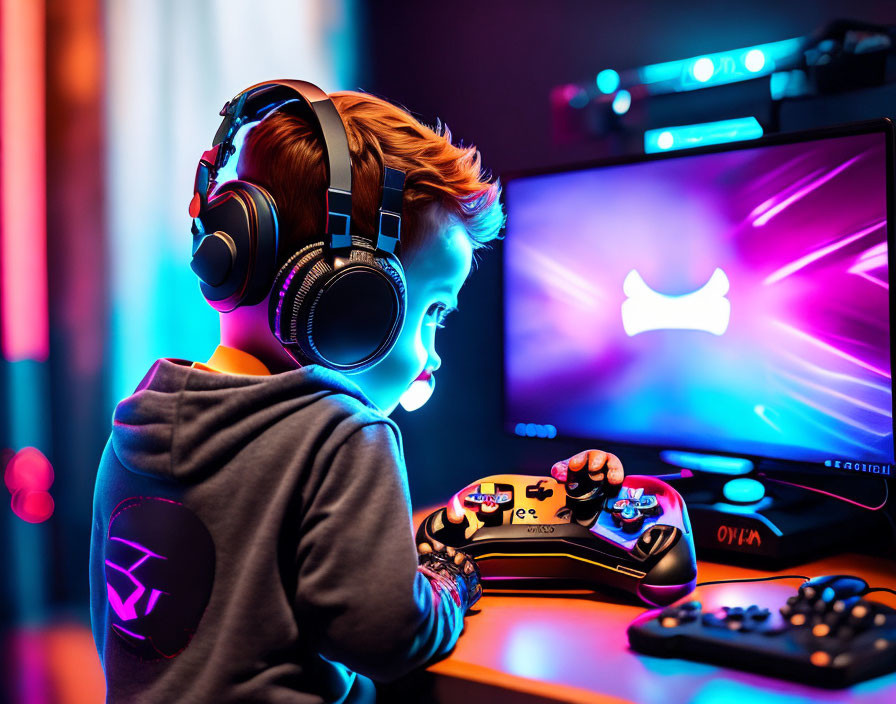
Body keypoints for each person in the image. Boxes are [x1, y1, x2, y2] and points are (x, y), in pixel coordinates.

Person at [89, 81, 624, 703]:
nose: (432, 353)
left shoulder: (136, 426)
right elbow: (389, 634)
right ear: (353, 303)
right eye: (431, 315)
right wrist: (450, 576)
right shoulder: (340, 433)